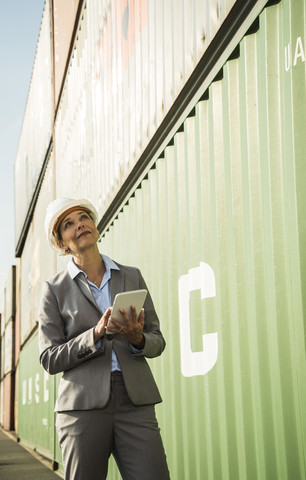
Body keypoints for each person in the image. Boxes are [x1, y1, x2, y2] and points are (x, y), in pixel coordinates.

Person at [38, 197, 170, 480]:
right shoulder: (54, 289)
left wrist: (138, 340)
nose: (80, 225)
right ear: (62, 243)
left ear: (94, 226)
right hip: (82, 410)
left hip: (135, 402)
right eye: (68, 224)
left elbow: (157, 340)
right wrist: (94, 335)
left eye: (84, 217)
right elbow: (48, 358)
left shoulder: (132, 276)